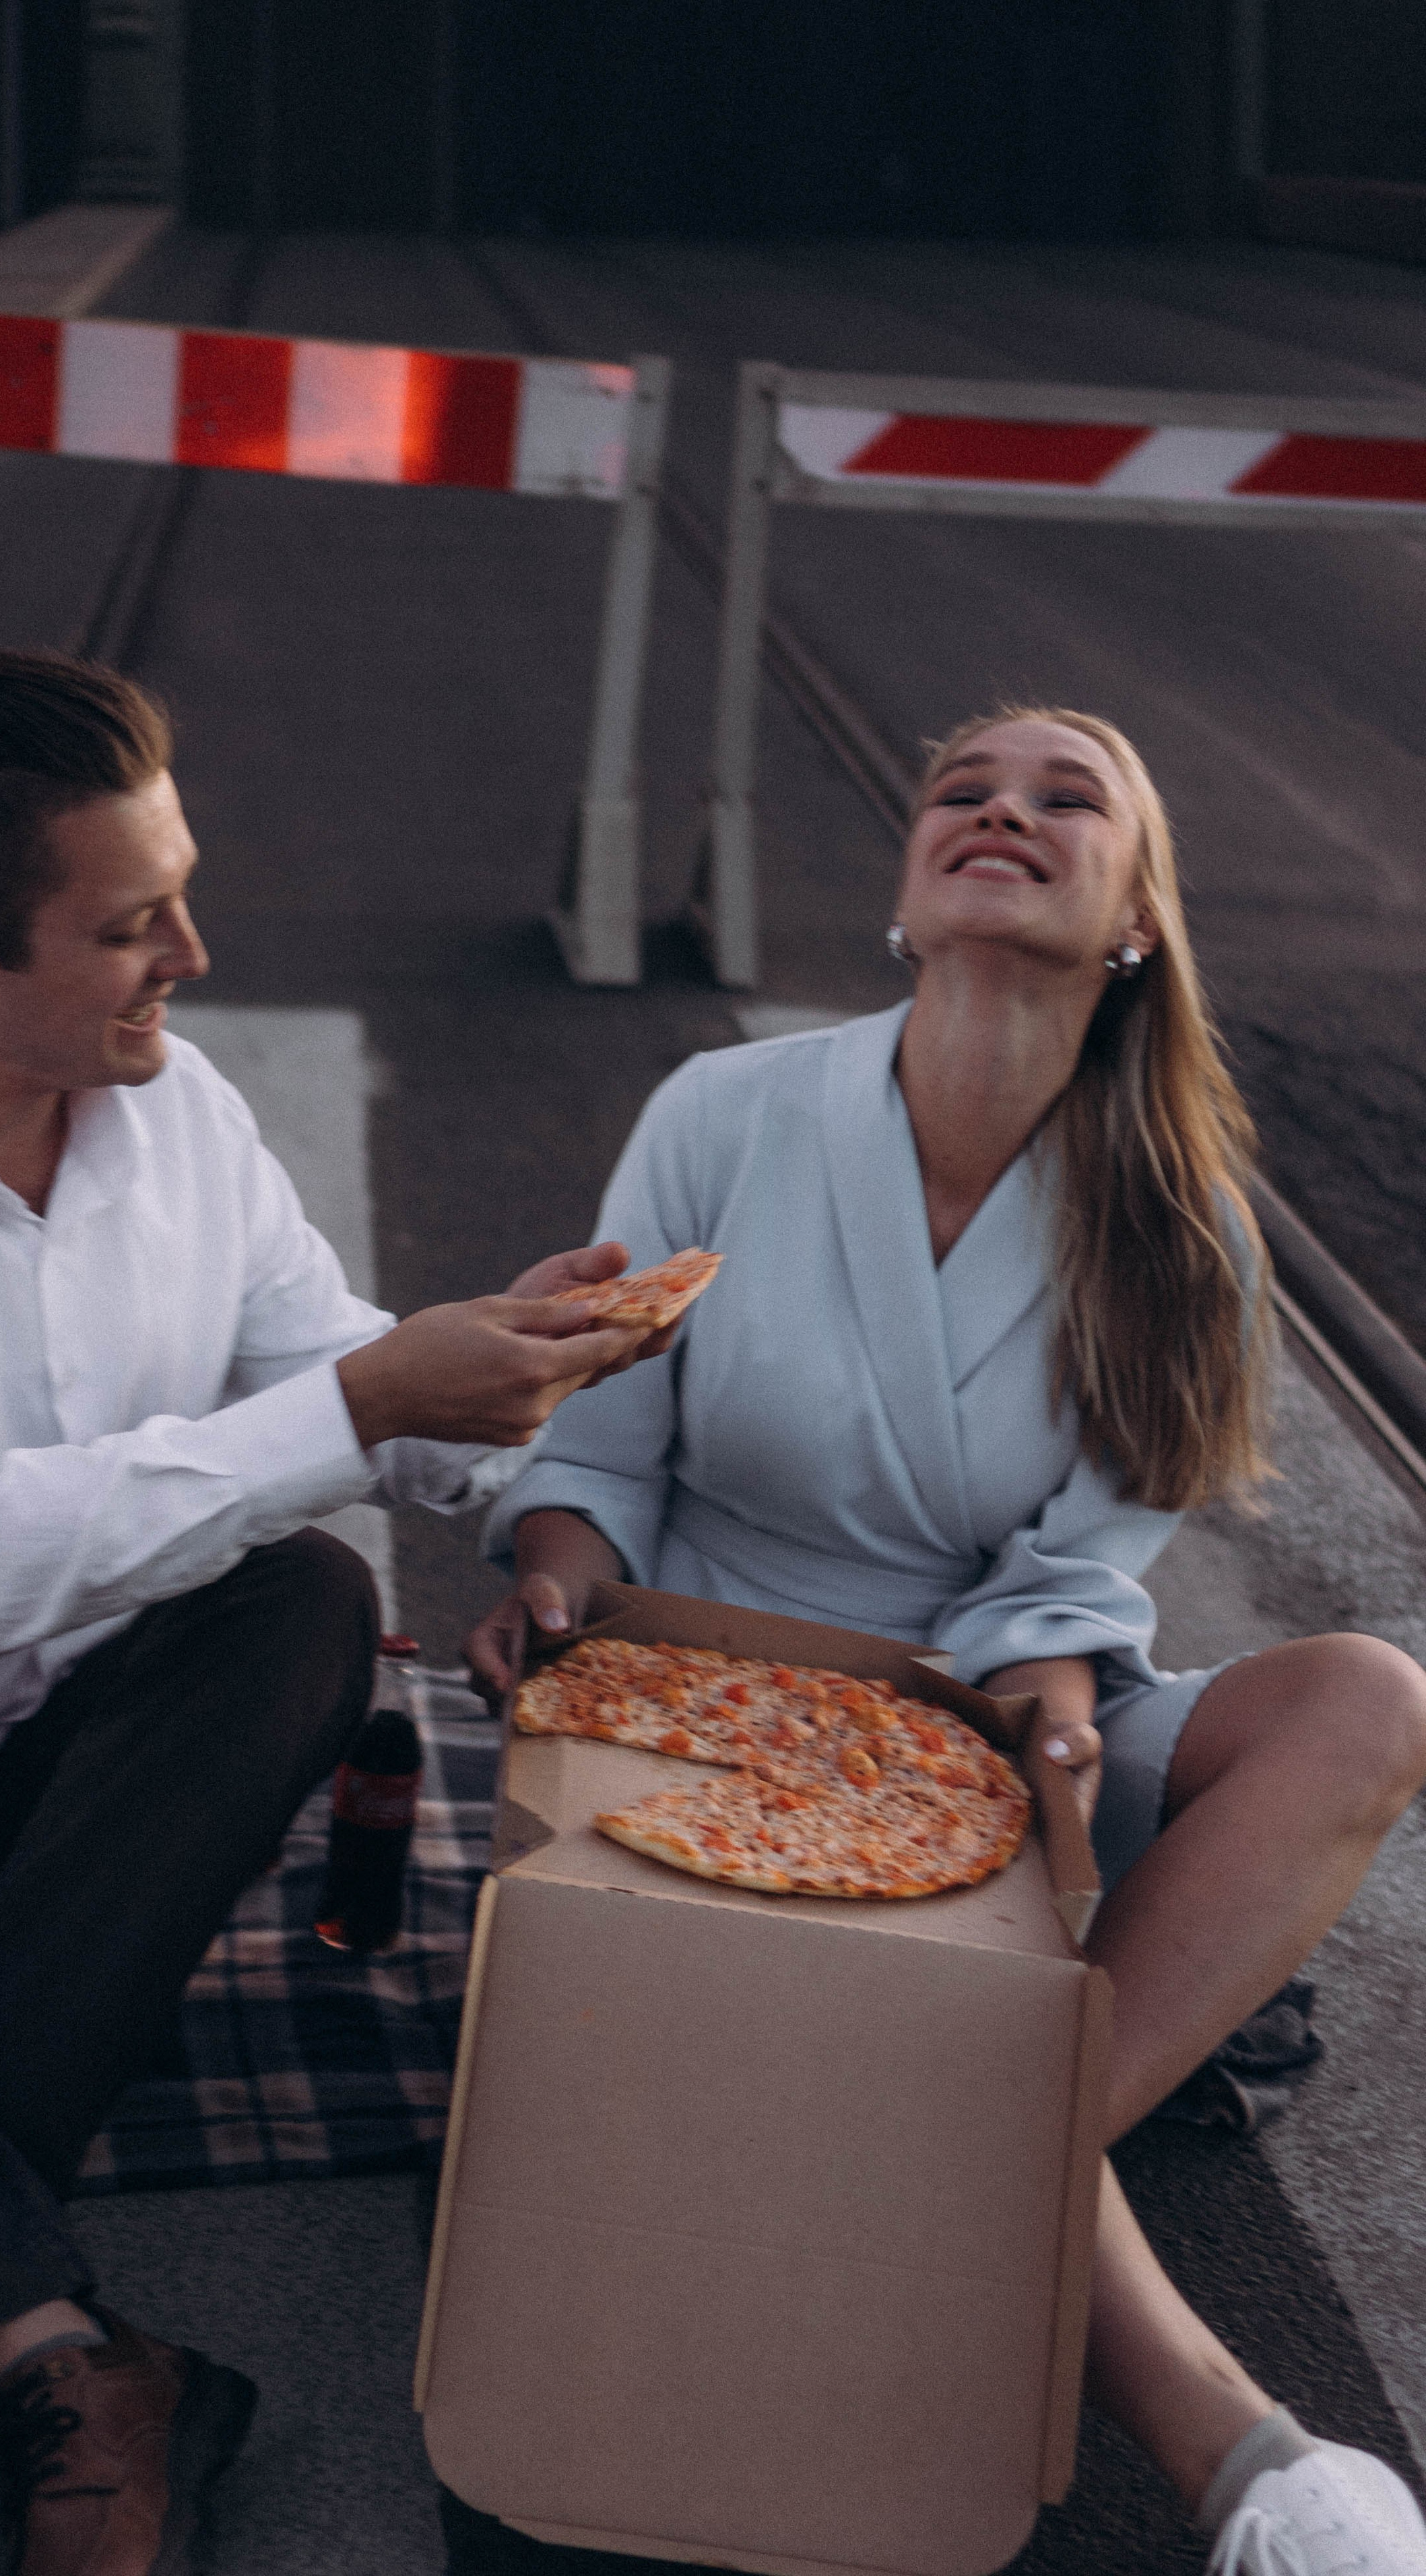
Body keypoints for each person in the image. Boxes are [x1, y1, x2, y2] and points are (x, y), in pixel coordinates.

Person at [0, 649, 663, 2576]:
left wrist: (521, 1406)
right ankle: (51, 2342)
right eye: (132, 925)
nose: (192, 953)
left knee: (299, 1602)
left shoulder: (182, 1111)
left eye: (183, 893)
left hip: (61, 1809)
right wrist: (365, 1401)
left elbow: (327, 1368)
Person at [468, 709, 1426, 2576]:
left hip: (981, 1729)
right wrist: (562, 1588)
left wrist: (1053, 1695)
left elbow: (1080, 1569)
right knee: (870, 1985)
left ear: (1136, 918)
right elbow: (597, 1451)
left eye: (1069, 799)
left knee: (1372, 1697)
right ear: (913, 892)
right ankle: (1223, 2437)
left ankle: (931, 2127)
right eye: (963, 791)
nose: (1005, 809)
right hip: (687, 1706)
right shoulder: (720, 1115)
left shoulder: (1187, 1228)